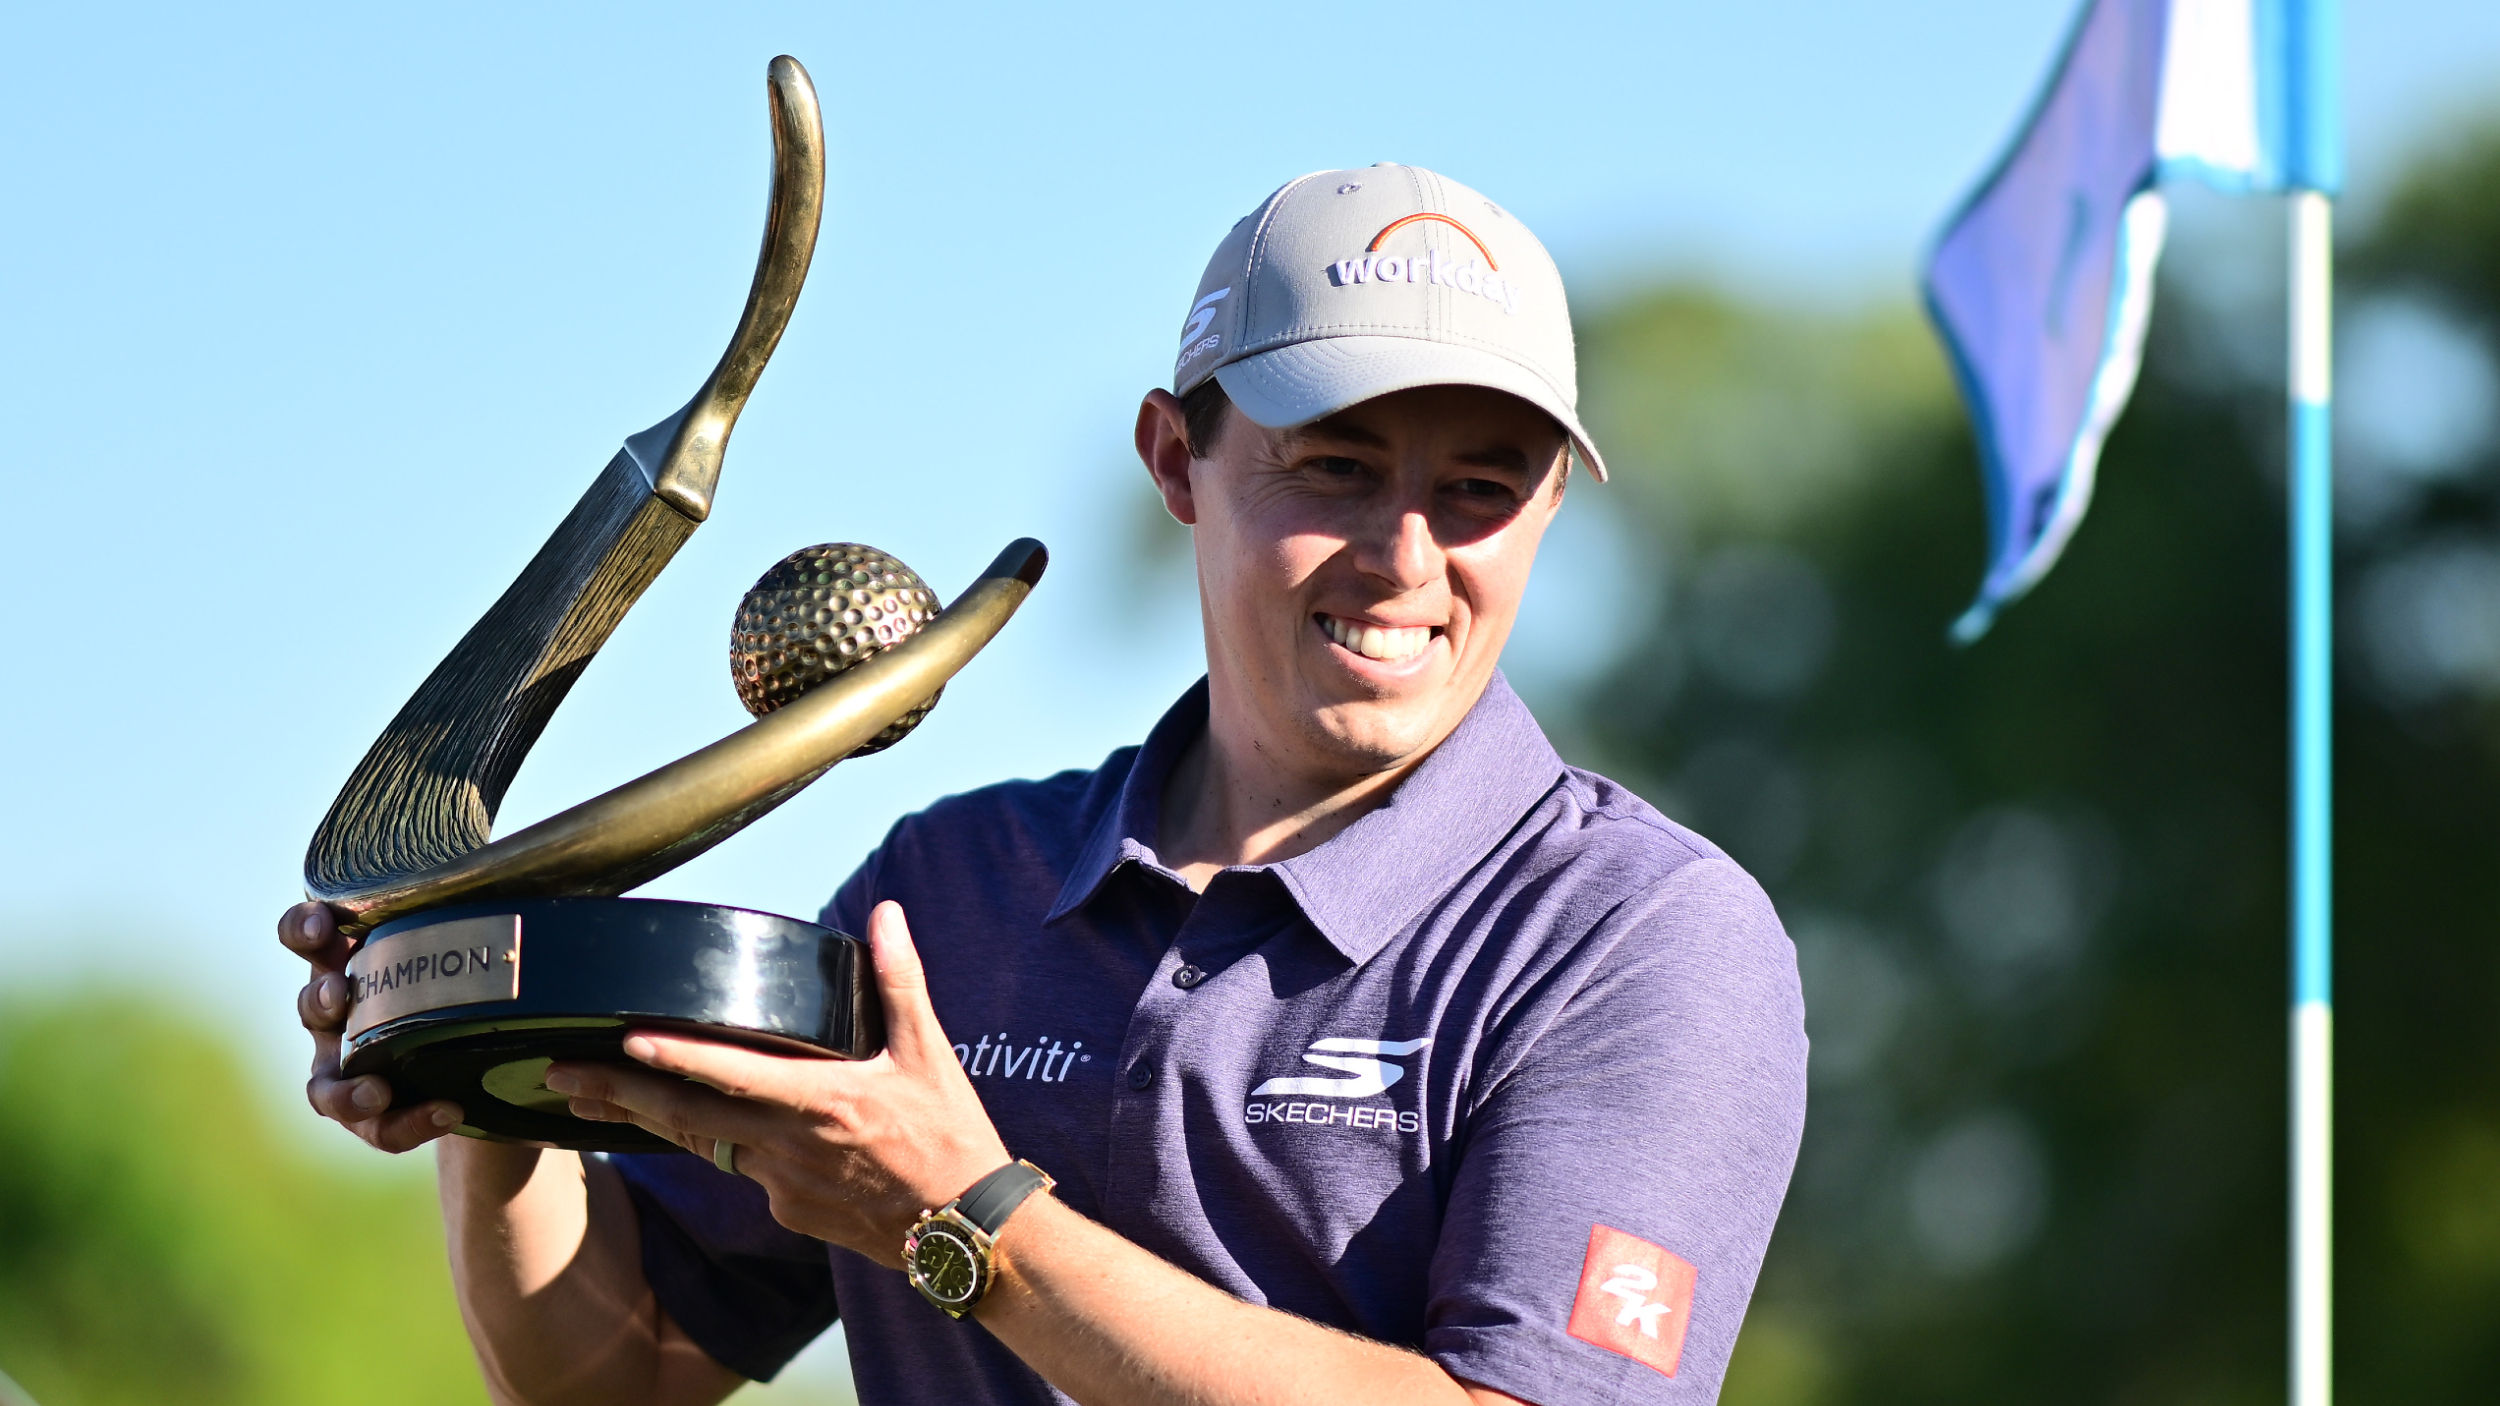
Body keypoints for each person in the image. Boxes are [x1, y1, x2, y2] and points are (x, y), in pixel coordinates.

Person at [283, 164, 1807, 1406]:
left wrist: (965, 1219)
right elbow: (605, 1372)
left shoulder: (1638, 937)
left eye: (1479, 485)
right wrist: (487, 1038)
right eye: (1336, 466)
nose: (1408, 555)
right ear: (1174, 458)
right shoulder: (948, 892)